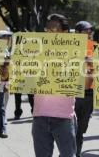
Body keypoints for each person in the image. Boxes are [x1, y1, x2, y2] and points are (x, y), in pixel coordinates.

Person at [32, 13, 77, 157]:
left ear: (64, 32)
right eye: (47, 30)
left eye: (53, 29)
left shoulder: (75, 53)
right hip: (40, 116)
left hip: (63, 117)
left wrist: (89, 70)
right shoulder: (36, 52)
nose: (49, 33)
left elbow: (87, 84)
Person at [74, 21, 94, 156]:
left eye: (90, 30)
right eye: (86, 30)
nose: (89, 33)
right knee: (70, 127)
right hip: (73, 93)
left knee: (81, 128)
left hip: (89, 94)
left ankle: (76, 152)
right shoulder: (69, 47)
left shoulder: (95, 47)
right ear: (78, 32)